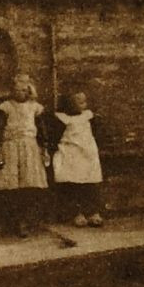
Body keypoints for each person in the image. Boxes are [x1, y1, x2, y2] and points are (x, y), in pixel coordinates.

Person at [0, 74, 49, 237]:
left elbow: (42, 130)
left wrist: (45, 148)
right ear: (11, 90)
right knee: (8, 185)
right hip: (10, 147)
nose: (20, 93)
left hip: (29, 148)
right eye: (16, 90)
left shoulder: (34, 107)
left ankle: (24, 223)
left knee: (27, 185)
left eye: (23, 90)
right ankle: (5, 222)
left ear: (28, 91)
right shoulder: (6, 107)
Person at [52, 91, 104, 227]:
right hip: (71, 153)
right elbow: (56, 137)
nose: (84, 105)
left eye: (84, 102)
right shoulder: (63, 119)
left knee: (90, 184)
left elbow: (96, 132)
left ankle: (92, 212)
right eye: (79, 102)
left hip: (87, 154)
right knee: (72, 184)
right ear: (69, 104)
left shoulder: (88, 116)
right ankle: (76, 212)